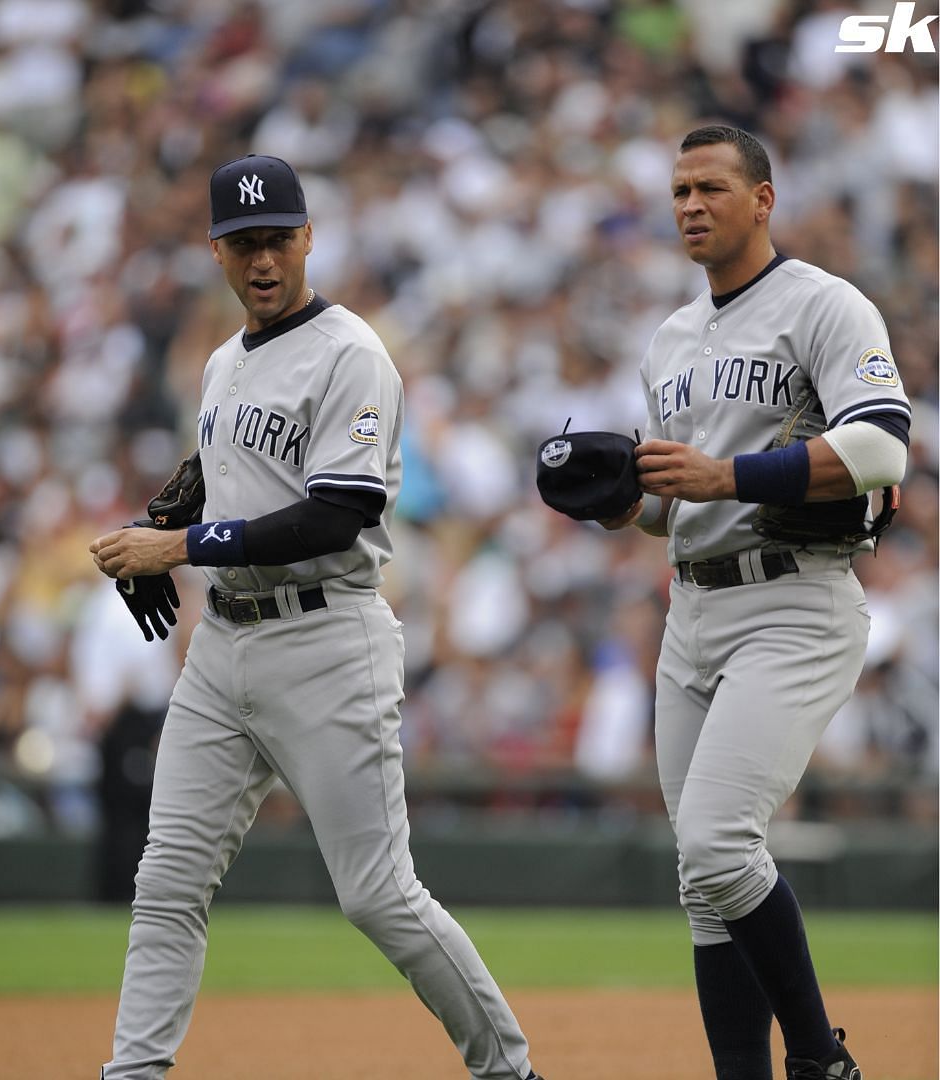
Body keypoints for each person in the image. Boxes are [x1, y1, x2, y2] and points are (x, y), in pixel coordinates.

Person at [87, 154, 543, 1080]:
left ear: (308, 239)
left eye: (277, 239)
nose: (263, 259)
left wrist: (176, 549)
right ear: (218, 252)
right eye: (244, 242)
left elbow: (338, 512)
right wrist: (157, 519)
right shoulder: (223, 361)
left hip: (328, 636)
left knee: (378, 895)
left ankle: (510, 1070)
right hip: (223, 649)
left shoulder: (350, 354)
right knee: (165, 884)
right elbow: (213, 469)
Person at [593, 124, 907, 1080]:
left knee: (721, 845)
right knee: (703, 880)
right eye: (680, 189)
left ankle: (818, 1059)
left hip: (794, 603)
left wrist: (724, 476)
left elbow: (884, 450)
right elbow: (672, 503)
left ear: (762, 200)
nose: (691, 204)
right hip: (693, 608)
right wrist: (618, 502)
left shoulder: (825, 305)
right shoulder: (670, 339)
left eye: (712, 188)